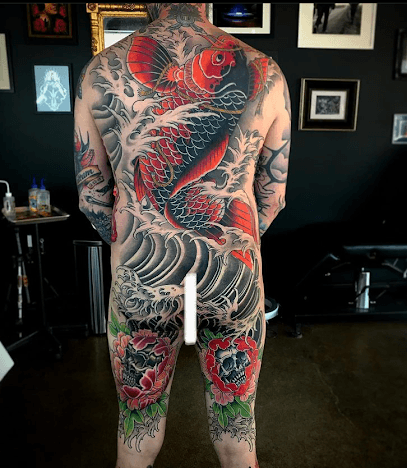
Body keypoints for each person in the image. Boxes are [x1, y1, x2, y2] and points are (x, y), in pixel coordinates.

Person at [73, 3, 291, 468]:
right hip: (232, 278)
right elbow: (272, 199)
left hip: (142, 276)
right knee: (237, 440)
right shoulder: (267, 73)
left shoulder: (99, 72)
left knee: (137, 438)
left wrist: (136, 242)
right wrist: (225, 238)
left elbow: (91, 199)